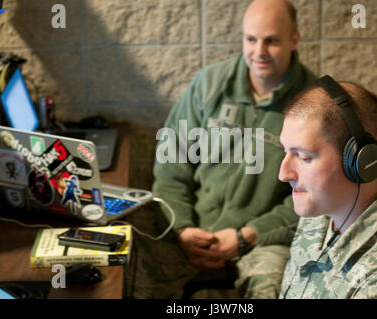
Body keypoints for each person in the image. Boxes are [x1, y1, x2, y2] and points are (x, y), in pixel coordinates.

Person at [131, 0, 317, 298]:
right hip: (189, 231)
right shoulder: (207, 85)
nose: (259, 52)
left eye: (272, 41)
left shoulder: (315, 103)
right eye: (251, 39)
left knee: (270, 288)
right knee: (120, 259)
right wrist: (182, 229)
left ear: (295, 38)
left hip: (261, 242)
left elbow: (315, 198)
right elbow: (171, 166)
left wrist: (246, 237)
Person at [278, 76, 377, 299]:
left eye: (304, 157)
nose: (284, 174)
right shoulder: (324, 206)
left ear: (360, 162)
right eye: (285, 151)